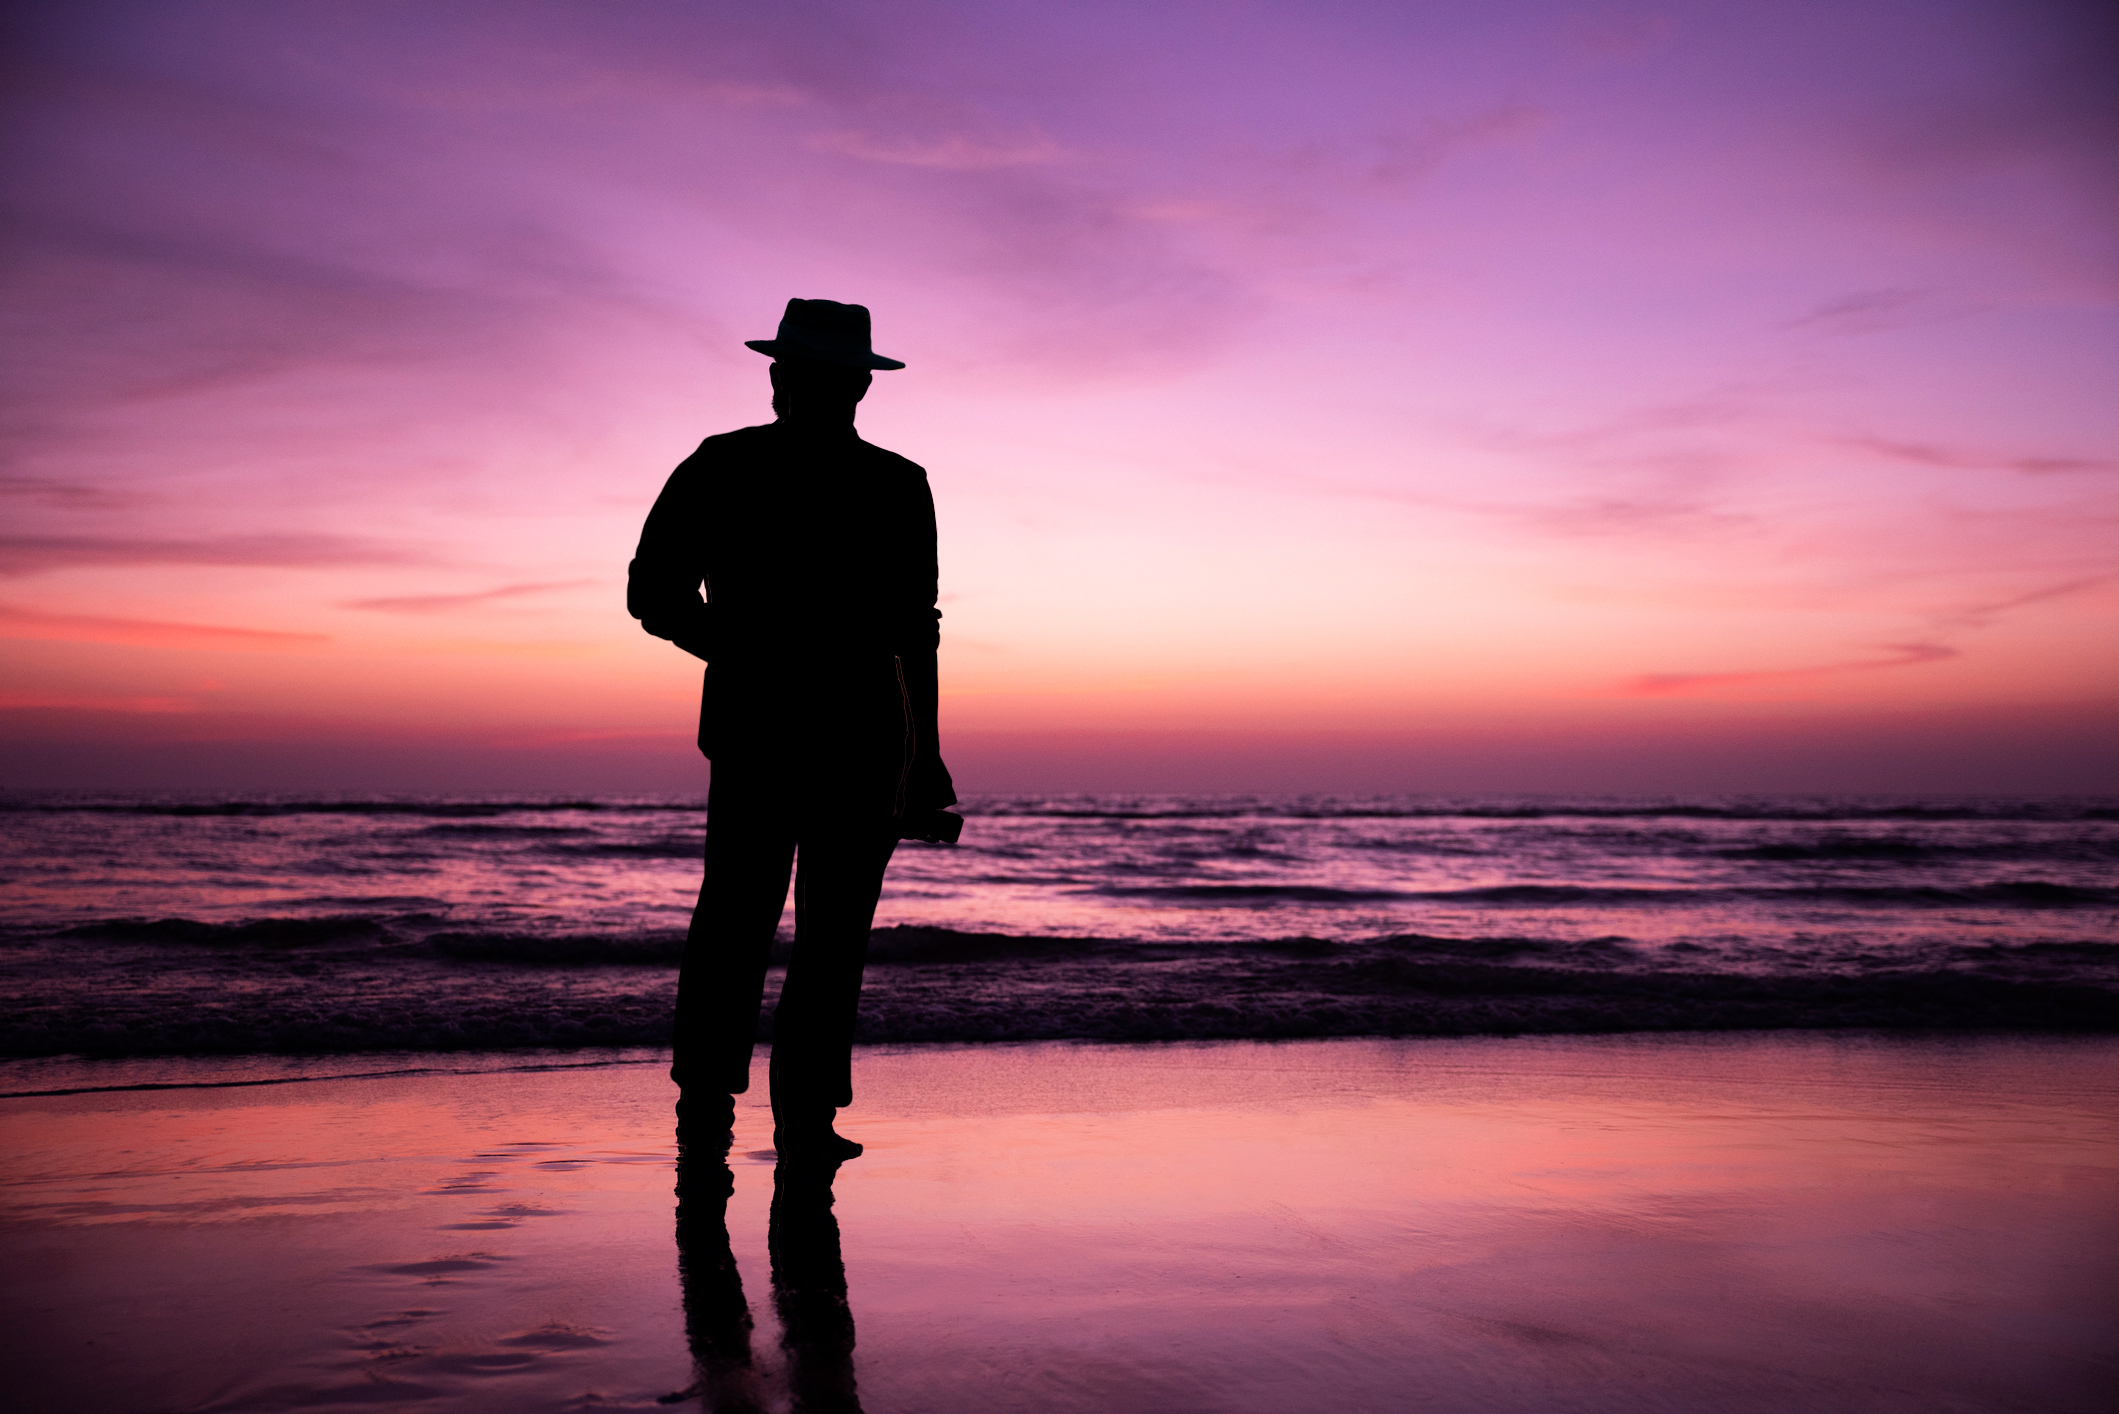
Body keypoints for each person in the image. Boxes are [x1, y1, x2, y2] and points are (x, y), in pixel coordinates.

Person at [629, 298, 958, 1160]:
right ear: (853, 384)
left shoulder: (862, 480)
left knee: (765, 927)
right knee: (797, 932)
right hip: (816, 736)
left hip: (811, 736)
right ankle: (762, 1114)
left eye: (815, 374)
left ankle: (741, 1116)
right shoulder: (873, 481)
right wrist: (922, 754)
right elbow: (653, 592)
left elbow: (911, 629)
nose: (806, 386)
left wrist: (923, 757)